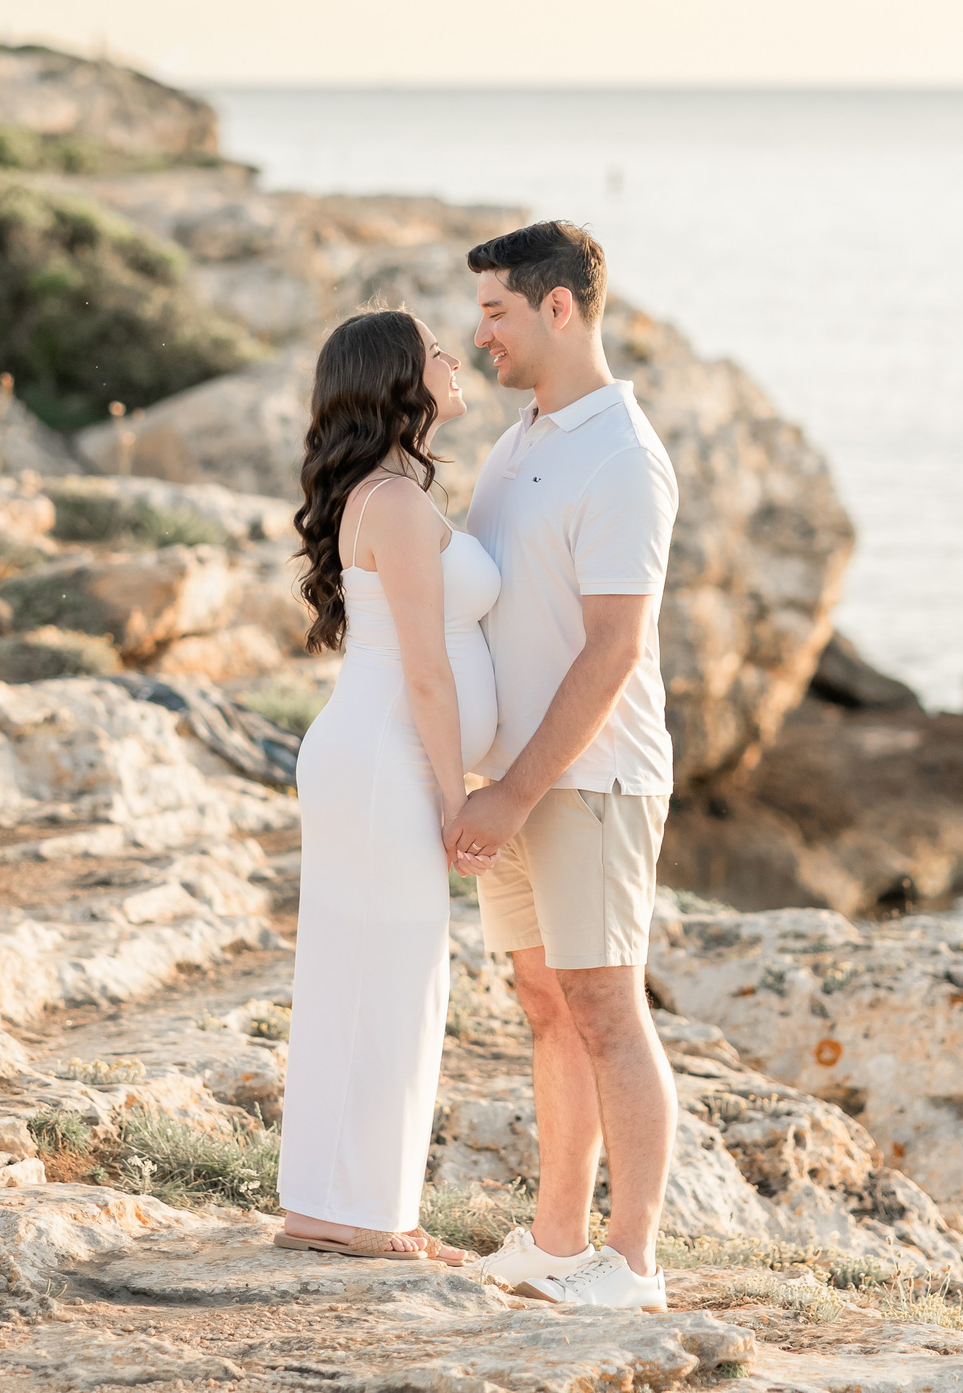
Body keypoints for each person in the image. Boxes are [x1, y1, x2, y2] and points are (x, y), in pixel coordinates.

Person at [446, 221, 681, 1312]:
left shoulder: (621, 455)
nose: (478, 330)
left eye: (494, 309)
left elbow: (614, 648)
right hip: (518, 773)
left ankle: (631, 1264)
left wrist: (511, 788)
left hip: (589, 776)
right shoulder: (516, 440)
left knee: (602, 1002)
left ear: (557, 308)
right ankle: (554, 1239)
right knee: (544, 999)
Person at [273, 308, 498, 1264]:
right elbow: (426, 673)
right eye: (435, 347)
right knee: (394, 980)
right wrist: (459, 798)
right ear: (403, 378)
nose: (453, 357)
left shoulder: (395, 492)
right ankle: (368, 1215)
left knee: (352, 977)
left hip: (369, 758)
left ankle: (331, 1205)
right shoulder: (397, 506)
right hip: (385, 764)